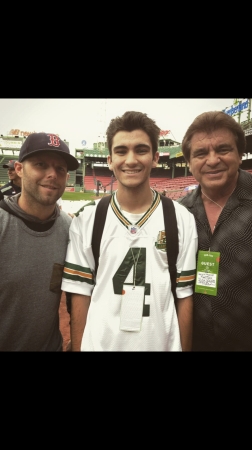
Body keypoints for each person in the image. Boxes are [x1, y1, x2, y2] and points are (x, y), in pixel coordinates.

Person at [61, 111, 198, 351]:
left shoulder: (181, 219)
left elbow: (185, 297)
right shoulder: (88, 219)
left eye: (141, 150)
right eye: (121, 151)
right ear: (110, 159)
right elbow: (80, 295)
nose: (131, 160)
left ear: (155, 157)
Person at [179, 110, 252, 351]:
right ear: (189, 164)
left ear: (240, 155)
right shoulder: (179, 214)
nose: (212, 160)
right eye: (201, 153)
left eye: (223, 149)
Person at [0, 132, 79, 351]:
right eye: (41, 164)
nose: (52, 174)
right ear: (19, 169)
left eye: (60, 168)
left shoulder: (70, 229)